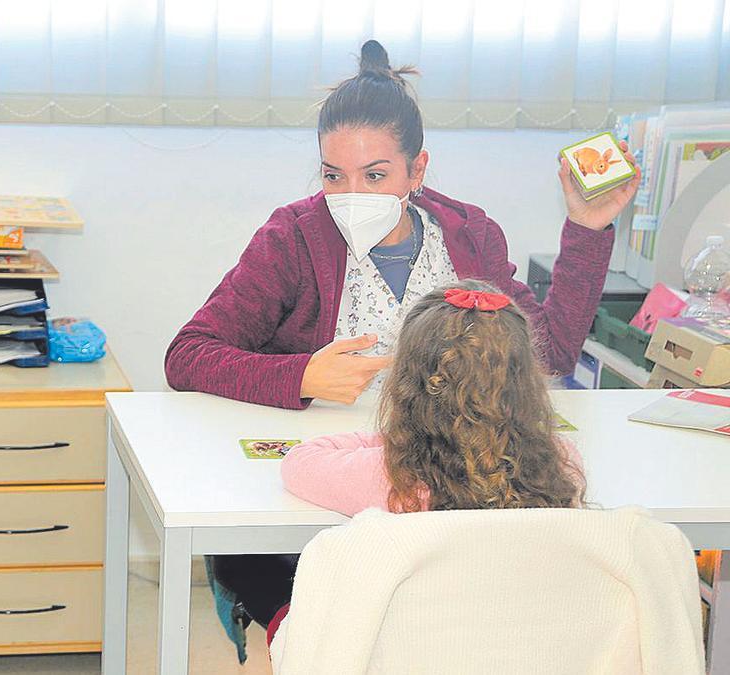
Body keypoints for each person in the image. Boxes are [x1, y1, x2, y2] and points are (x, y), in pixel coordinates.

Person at [164, 38, 634, 635]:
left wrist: (588, 230)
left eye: (376, 174)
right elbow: (187, 356)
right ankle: (297, 629)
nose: (353, 196)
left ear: (418, 169)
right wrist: (301, 375)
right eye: (334, 175)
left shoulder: (468, 235)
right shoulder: (294, 237)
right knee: (258, 550)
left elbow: (549, 356)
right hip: (328, 473)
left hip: (442, 474)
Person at [268, 279, 588, 644]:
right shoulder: (559, 461)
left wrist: (399, 436)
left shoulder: (392, 475)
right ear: (528, 384)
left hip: (411, 647)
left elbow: (300, 461)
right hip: (522, 644)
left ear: (407, 385)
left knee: (255, 577)